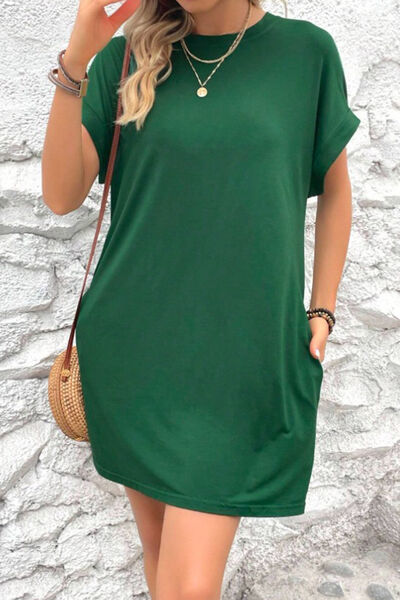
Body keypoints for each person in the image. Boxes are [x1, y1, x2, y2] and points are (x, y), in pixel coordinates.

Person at [41, 0, 361, 598]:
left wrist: (323, 308)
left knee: (187, 585)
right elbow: (61, 195)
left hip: (241, 360)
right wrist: (77, 60)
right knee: (161, 554)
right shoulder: (126, 58)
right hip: (136, 354)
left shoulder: (306, 54)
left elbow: (336, 191)